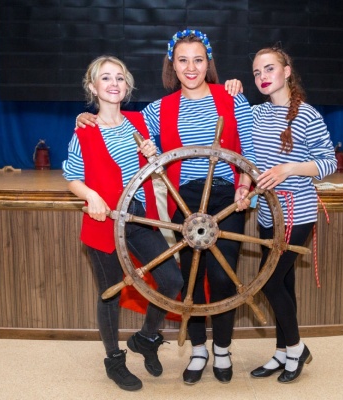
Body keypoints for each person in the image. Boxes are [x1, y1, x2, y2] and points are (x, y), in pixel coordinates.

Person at [77, 29, 256, 385]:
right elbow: (122, 122)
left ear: (208, 63)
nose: (191, 67)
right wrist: (86, 117)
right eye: (183, 60)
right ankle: (199, 350)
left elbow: (248, 150)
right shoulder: (159, 109)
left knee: (223, 277)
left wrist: (245, 185)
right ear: (172, 65)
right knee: (191, 278)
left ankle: (222, 349)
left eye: (198, 60)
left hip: (226, 198)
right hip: (184, 201)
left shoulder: (232, 97)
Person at [62, 55, 183, 391]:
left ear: (127, 86)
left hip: (137, 216)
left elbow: (154, 168)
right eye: (106, 78)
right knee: (110, 293)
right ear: (93, 87)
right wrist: (91, 196)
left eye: (119, 78)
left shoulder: (138, 123)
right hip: (102, 222)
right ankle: (114, 361)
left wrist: (153, 154)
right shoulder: (84, 130)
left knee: (171, 280)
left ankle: (146, 338)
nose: (113, 84)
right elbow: (71, 176)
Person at [226, 46, 337, 383]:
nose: (262, 77)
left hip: (296, 213)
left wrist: (289, 168)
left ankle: (296, 349)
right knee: (284, 283)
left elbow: (328, 162)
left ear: (287, 71)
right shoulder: (256, 114)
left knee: (270, 282)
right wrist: (244, 186)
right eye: (256, 72)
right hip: (267, 215)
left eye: (269, 69)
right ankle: (281, 352)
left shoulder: (307, 115)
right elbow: (248, 157)